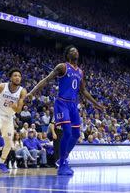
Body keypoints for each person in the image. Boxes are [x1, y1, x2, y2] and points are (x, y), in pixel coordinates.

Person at [28, 46, 105, 175]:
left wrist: (96, 104)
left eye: (77, 50)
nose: (76, 51)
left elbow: (83, 91)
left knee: (76, 135)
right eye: (72, 50)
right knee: (67, 133)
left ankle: (62, 159)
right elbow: (46, 79)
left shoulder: (80, 72)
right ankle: (63, 164)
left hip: (74, 105)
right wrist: (31, 93)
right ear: (68, 55)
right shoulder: (62, 67)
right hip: (62, 103)